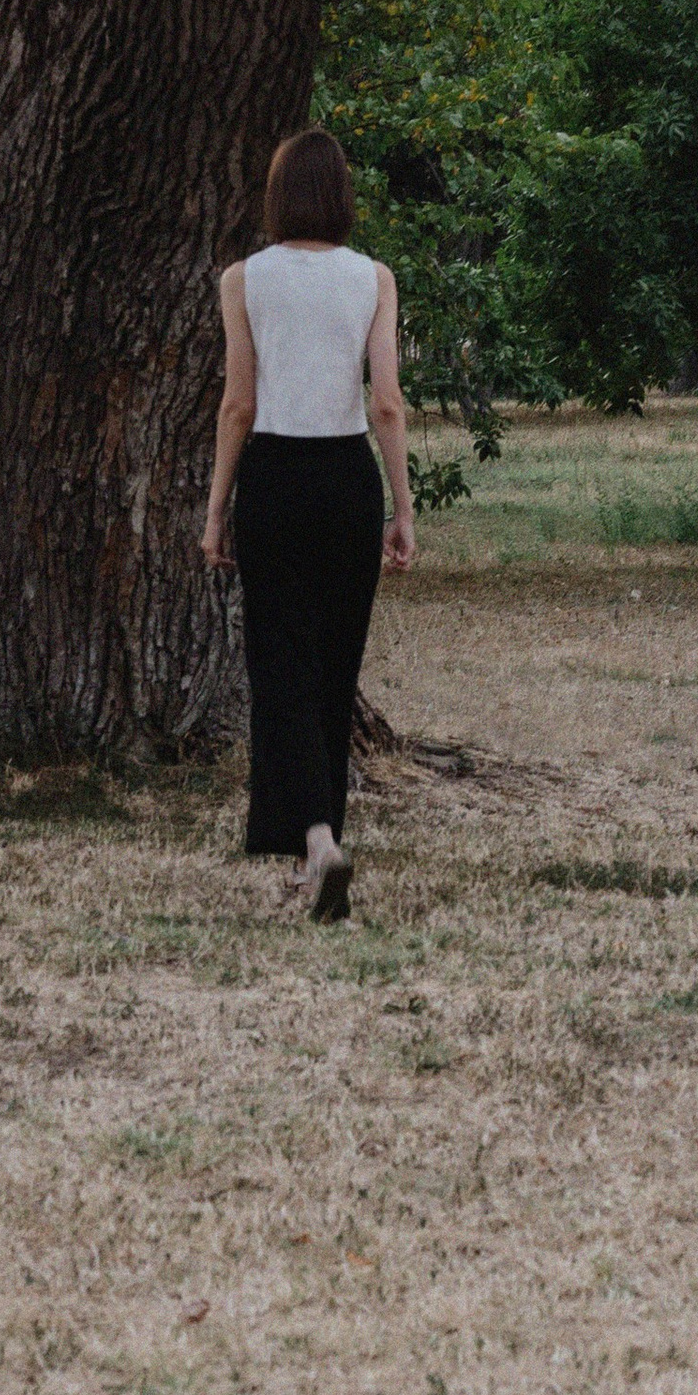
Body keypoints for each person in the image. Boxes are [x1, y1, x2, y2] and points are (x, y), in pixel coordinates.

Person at [201, 126, 415, 920]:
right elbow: (386, 403)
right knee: (332, 665)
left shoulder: (244, 279)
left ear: (279, 194)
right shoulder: (374, 279)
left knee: (280, 664)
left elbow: (237, 406)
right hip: (347, 479)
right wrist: (403, 507)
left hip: (275, 480)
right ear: (343, 196)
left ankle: (318, 842)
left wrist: (217, 510)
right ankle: (316, 847)